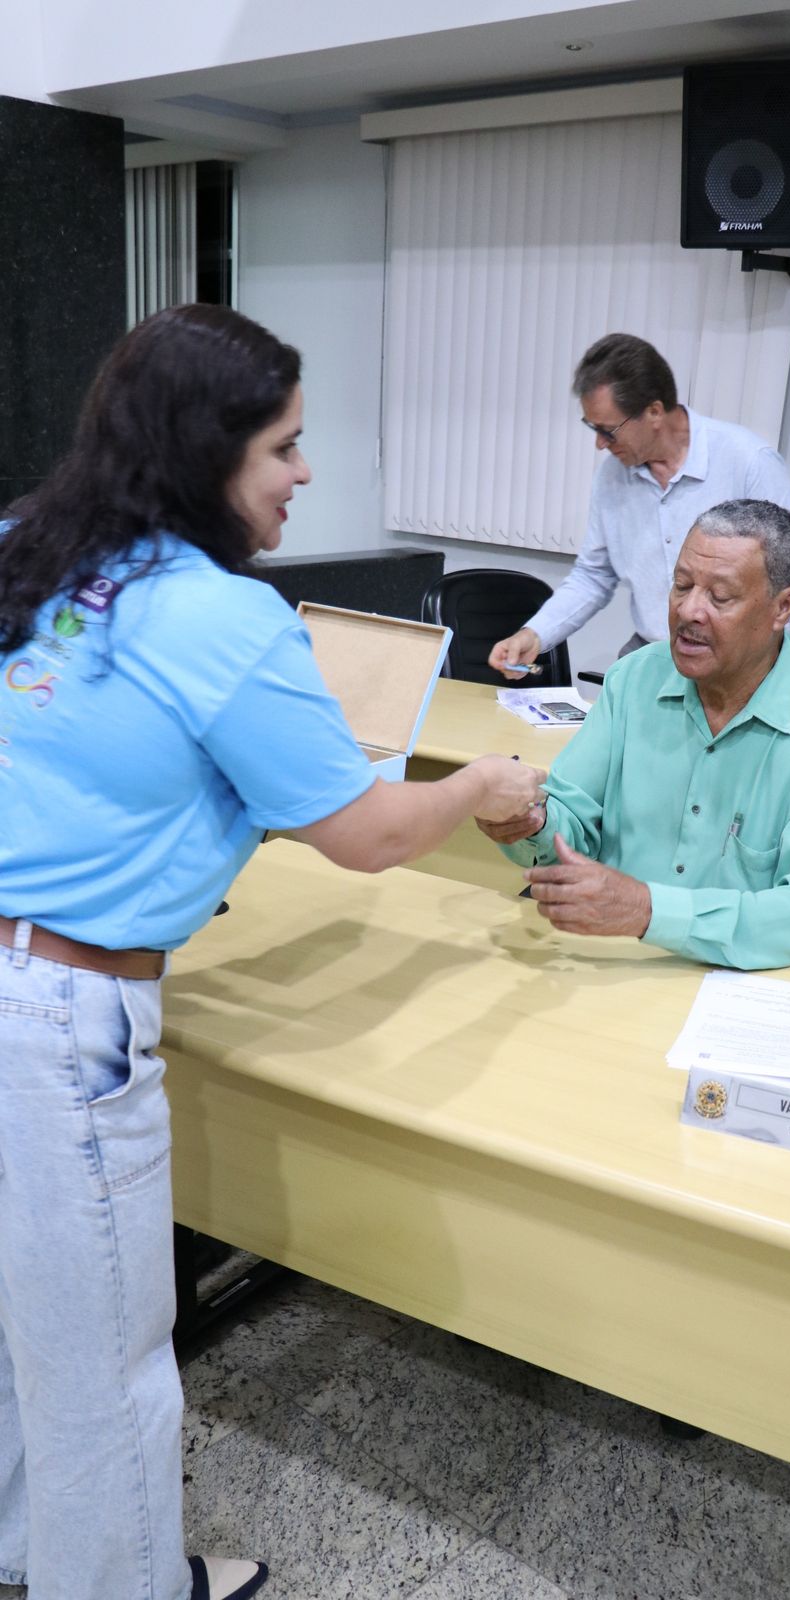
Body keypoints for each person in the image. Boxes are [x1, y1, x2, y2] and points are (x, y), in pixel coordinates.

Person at [0, 304, 544, 1600]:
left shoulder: (28, 543)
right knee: (106, 1365)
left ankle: (25, 1547)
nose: (307, 472)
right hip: (59, 1014)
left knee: (22, 1320)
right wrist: (476, 783)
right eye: (285, 447)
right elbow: (366, 835)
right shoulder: (224, 618)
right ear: (207, 452)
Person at [479, 500, 790, 971]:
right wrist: (531, 821)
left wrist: (648, 911)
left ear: (783, 608)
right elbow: (573, 824)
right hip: (610, 962)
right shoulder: (634, 681)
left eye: (720, 597)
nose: (689, 610)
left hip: (742, 983)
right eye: (682, 585)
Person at [488, 332, 790, 677]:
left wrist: (766, 664)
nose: (600, 444)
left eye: (608, 430)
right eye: (593, 429)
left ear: (654, 412)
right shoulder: (612, 477)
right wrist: (535, 634)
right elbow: (593, 575)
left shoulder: (746, 462)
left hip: (732, 664)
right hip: (652, 654)